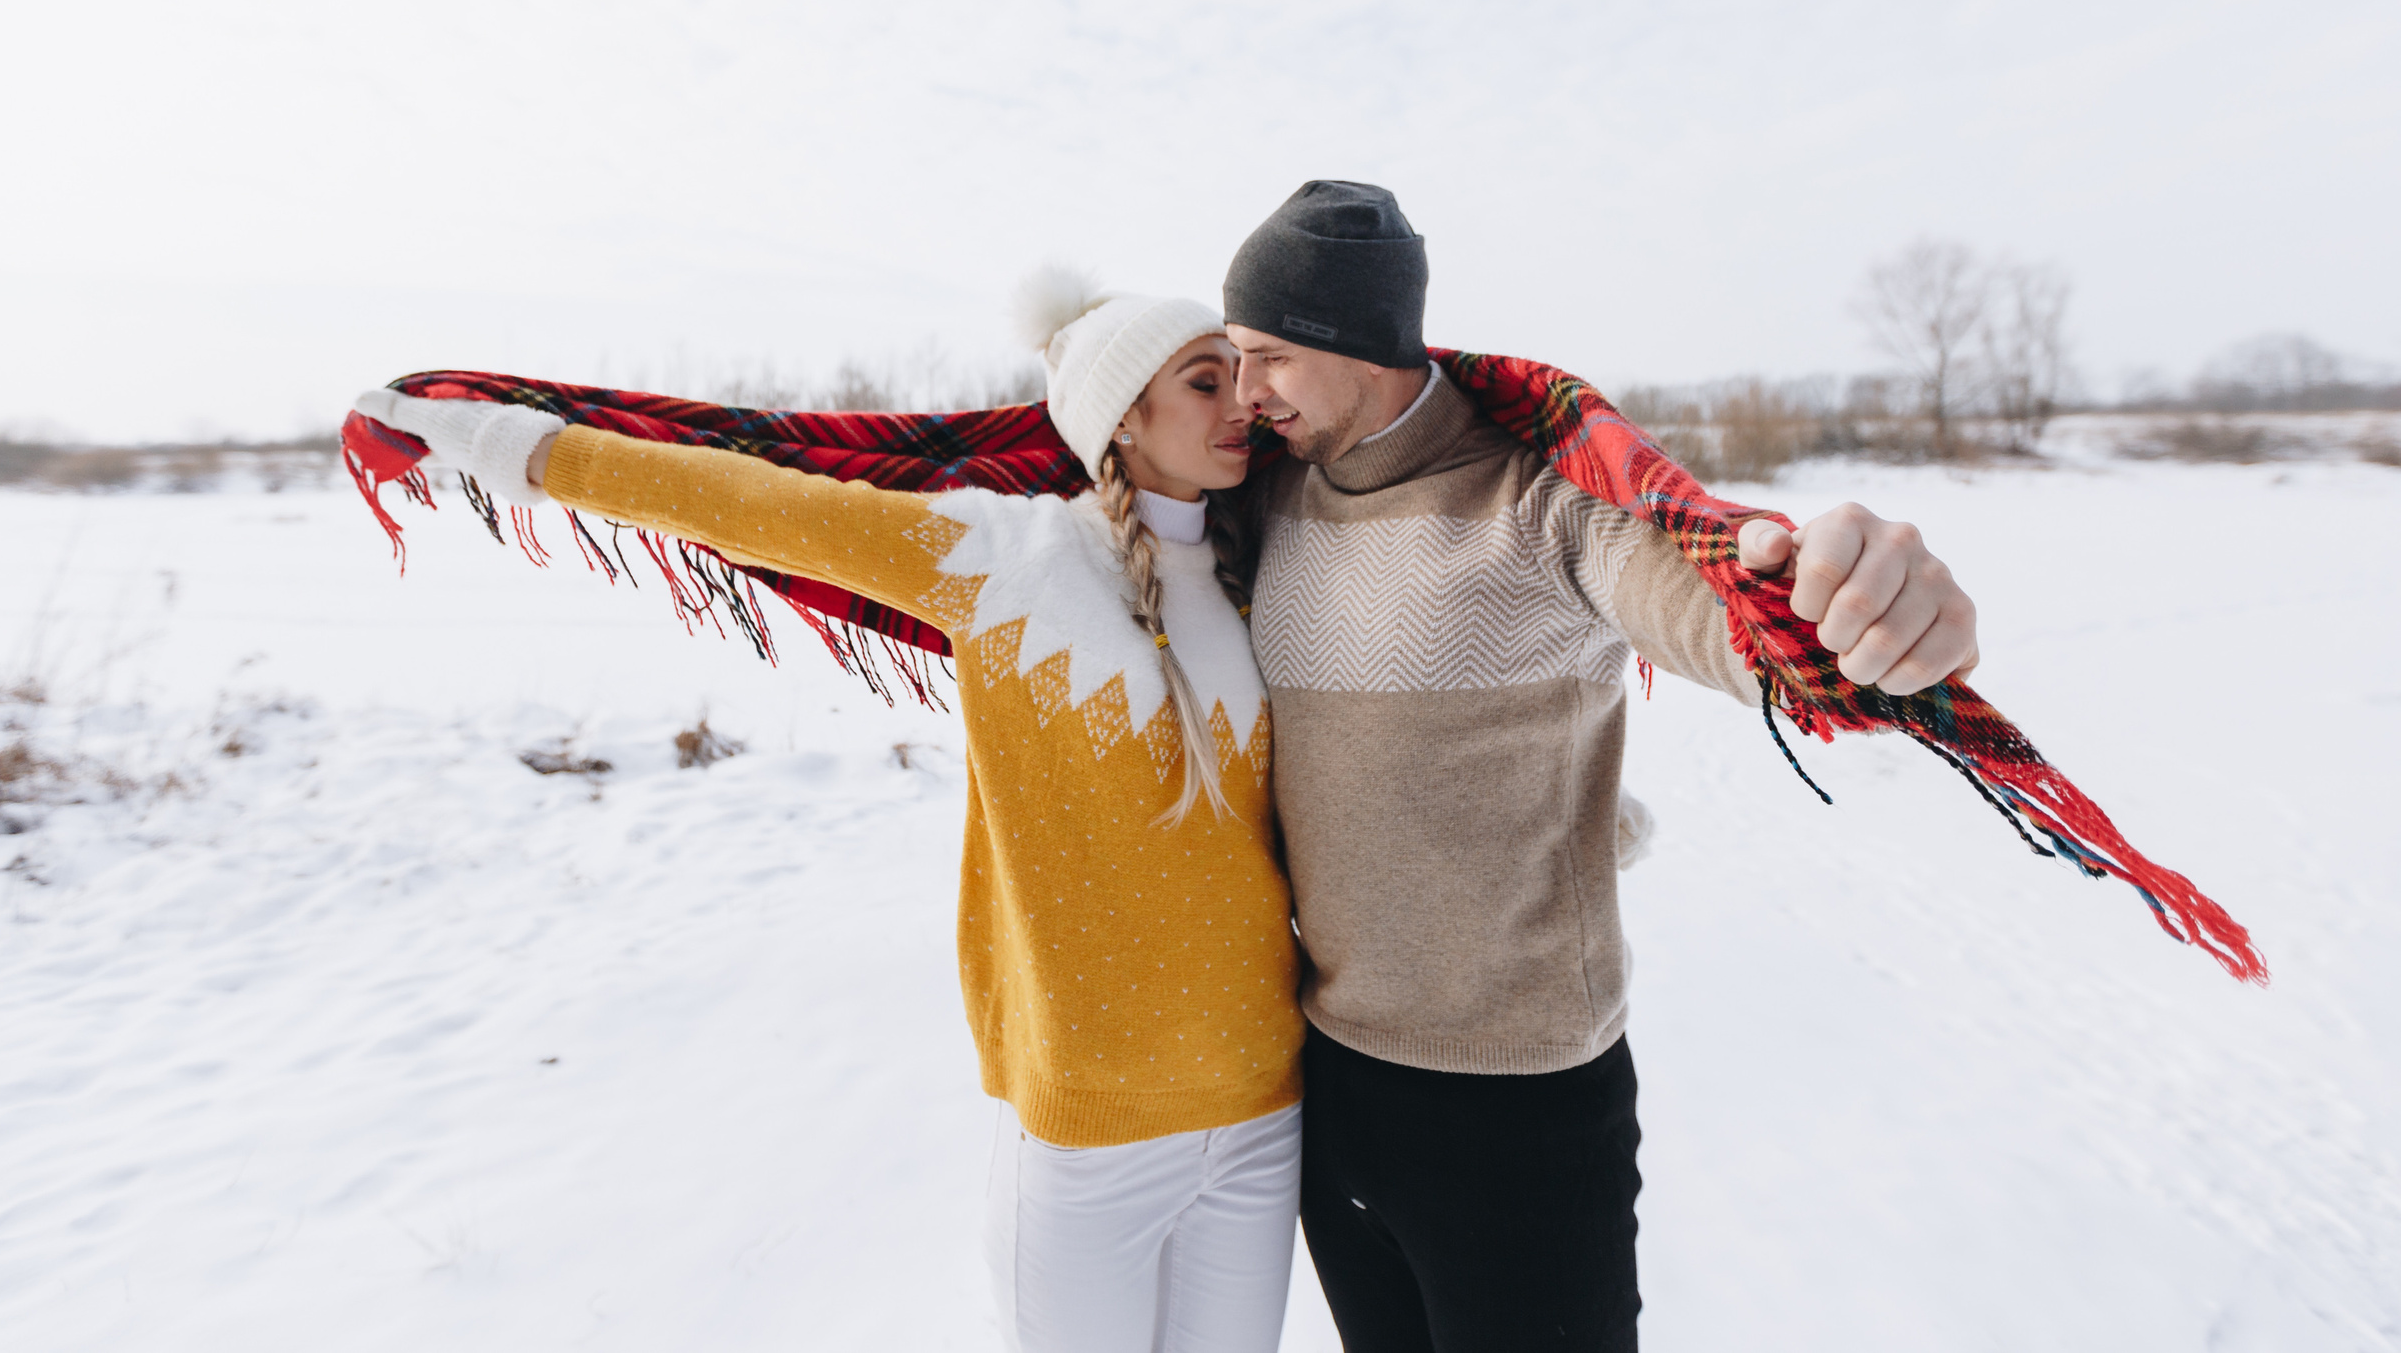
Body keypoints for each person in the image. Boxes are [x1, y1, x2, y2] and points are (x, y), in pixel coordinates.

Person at [351, 277, 1306, 1353]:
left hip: (1264, 1114)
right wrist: (499, 445)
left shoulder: (1258, 573)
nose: (1243, 403)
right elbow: (741, 500)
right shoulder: (1004, 559)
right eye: (1203, 379)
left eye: (1241, 378)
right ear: (1121, 413)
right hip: (1092, 1129)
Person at [1219, 181, 1982, 1353]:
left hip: (1514, 1106)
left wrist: (1845, 626)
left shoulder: (1544, 500)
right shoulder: (1268, 497)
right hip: (1325, 1073)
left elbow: (1706, 601)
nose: (1245, 389)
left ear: (1356, 346)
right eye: (1232, 356)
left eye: (1267, 355)